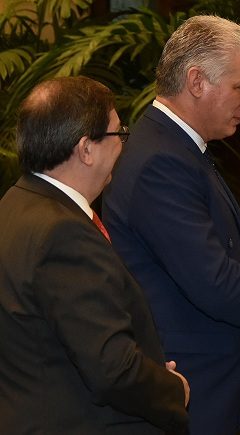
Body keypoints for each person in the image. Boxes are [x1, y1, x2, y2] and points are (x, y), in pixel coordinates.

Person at [102, 15, 240, 434]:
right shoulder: (161, 161)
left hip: (209, 382)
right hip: (190, 389)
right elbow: (213, 281)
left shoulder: (176, 148)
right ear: (196, 81)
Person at [0, 76, 190, 434]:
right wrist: (172, 389)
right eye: (119, 134)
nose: (123, 146)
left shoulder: (13, 207)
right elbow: (112, 369)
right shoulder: (63, 232)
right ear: (86, 149)